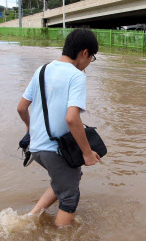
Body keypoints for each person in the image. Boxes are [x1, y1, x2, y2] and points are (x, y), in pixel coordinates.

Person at [17, 29, 100, 227]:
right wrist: (87, 153)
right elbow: (72, 119)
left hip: (36, 148)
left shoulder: (42, 70)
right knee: (70, 197)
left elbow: (21, 108)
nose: (89, 63)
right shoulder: (76, 76)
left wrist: (30, 128)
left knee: (67, 178)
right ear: (84, 53)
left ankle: (30, 217)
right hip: (55, 150)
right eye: (92, 58)